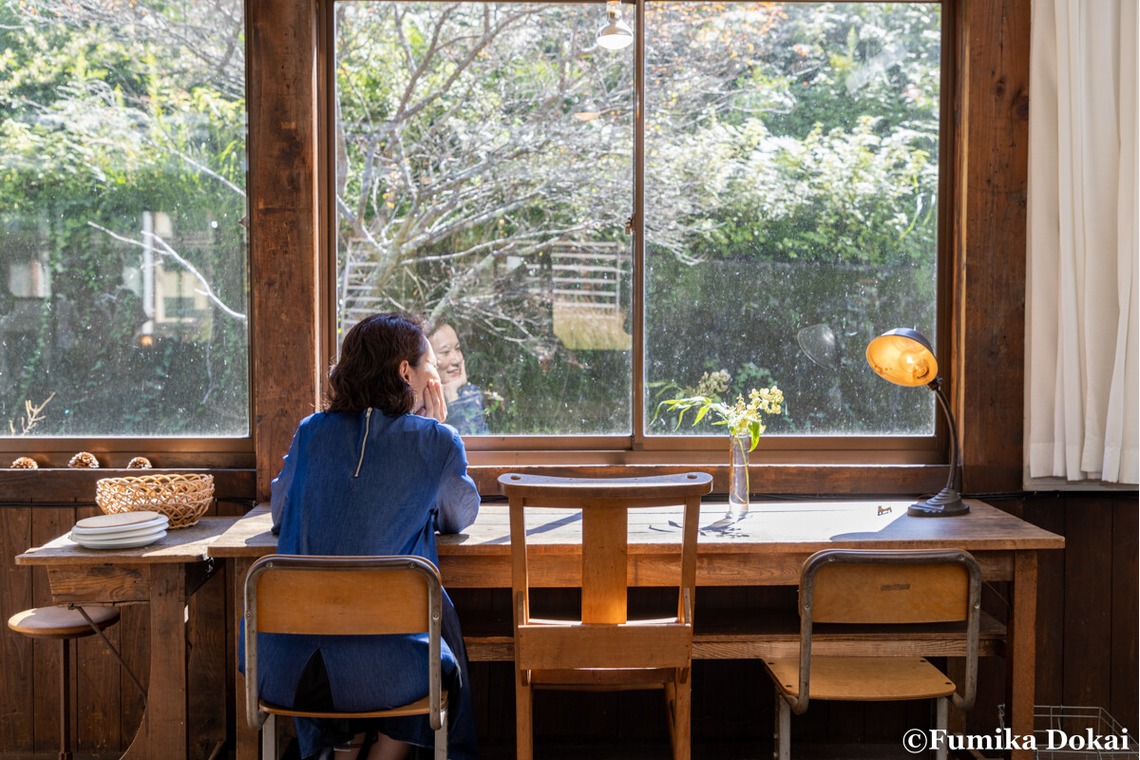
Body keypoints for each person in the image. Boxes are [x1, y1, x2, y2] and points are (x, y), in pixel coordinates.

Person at [262, 312, 480, 760]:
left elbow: (281, 514)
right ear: (406, 373)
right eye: (430, 366)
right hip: (392, 673)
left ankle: (341, 750)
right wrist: (439, 432)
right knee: (422, 640)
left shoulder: (310, 433)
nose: (437, 377)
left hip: (288, 667)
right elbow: (459, 516)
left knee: (364, 652)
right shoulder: (436, 441)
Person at [428, 323, 489, 436]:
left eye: (457, 349)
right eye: (445, 352)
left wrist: (452, 397)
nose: (456, 360)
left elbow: (475, 441)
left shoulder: (469, 394)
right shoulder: (415, 401)